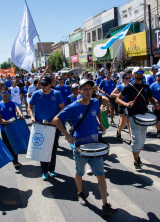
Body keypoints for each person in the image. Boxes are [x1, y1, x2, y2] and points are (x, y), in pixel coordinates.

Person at [52, 79, 118, 216]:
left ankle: (105, 204)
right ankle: (80, 192)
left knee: (101, 175)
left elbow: (98, 111)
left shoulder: (94, 102)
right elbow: (56, 120)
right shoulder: (73, 106)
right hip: (80, 146)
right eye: (85, 89)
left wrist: (100, 123)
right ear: (79, 91)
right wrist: (66, 135)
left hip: (95, 144)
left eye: (90, 88)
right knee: (79, 173)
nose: (89, 91)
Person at [116, 67, 160, 172]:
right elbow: (118, 99)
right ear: (133, 74)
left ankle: (137, 156)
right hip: (133, 116)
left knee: (142, 140)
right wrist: (126, 104)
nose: (141, 74)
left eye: (142, 72)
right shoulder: (128, 87)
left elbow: (150, 98)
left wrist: (155, 104)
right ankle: (136, 161)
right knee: (136, 140)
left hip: (144, 115)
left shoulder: (146, 86)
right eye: (138, 72)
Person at [28, 75, 65, 181]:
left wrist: (55, 118)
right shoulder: (36, 94)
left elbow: (62, 108)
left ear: (50, 85)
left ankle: (52, 169)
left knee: (53, 149)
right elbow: (29, 107)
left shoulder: (56, 94)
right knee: (41, 149)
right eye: (41, 84)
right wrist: (32, 116)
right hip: (40, 126)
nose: (43, 86)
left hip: (53, 126)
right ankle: (44, 171)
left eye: (45, 84)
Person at [0, 87, 23, 169]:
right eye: (3, 92)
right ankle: (12, 157)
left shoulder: (13, 103)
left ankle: (15, 160)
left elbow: (17, 108)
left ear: (9, 94)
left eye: (6, 92)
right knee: (7, 145)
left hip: (13, 127)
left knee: (14, 145)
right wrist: (1, 120)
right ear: (1, 94)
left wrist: (20, 113)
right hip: (4, 128)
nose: (5, 94)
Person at [110, 72, 130, 141]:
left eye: (129, 78)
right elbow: (112, 94)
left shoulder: (131, 86)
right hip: (122, 105)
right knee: (123, 123)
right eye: (126, 78)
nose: (128, 79)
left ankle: (131, 138)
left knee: (130, 123)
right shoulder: (120, 86)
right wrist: (120, 95)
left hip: (130, 105)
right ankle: (119, 132)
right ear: (123, 79)